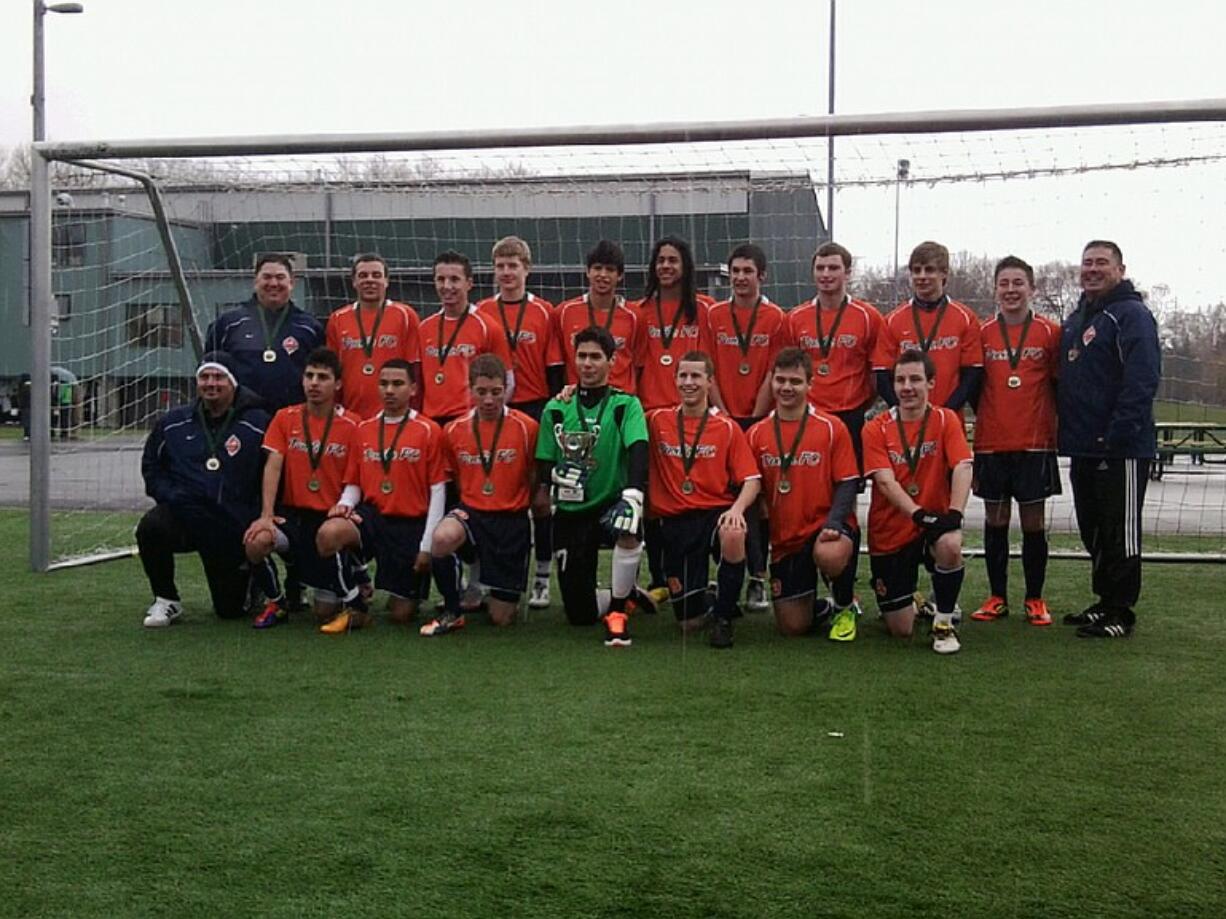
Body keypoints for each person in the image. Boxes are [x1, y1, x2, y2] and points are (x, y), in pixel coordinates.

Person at [1057, 240, 1160, 638]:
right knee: (1094, 528)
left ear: (1120, 269)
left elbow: (1142, 379)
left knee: (1121, 530)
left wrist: (1119, 432)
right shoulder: (1078, 318)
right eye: (1087, 263)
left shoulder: (1131, 315)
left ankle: (1122, 610)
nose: (1093, 269)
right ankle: (1104, 600)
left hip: (1121, 448)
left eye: (1102, 262)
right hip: (1083, 445)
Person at [137, 351, 270, 627]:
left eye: (219, 377)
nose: (211, 383)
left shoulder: (257, 423)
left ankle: (252, 580)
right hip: (186, 517)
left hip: (230, 525)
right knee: (151, 527)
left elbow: (272, 473)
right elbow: (152, 467)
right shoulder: (172, 423)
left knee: (230, 611)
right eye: (205, 377)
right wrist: (172, 496)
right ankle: (166, 599)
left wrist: (258, 513)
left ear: (233, 382)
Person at [534, 326, 649, 647]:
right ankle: (625, 592)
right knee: (579, 616)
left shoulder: (626, 405)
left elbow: (638, 449)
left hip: (610, 502)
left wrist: (634, 496)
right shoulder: (557, 408)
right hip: (571, 510)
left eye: (595, 357)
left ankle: (617, 611)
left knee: (628, 523)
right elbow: (545, 459)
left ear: (611, 361)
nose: (587, 363)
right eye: (582, 356)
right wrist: (551, 479)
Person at [314, 359, 447, 632]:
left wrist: (426, 546)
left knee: (401, 615)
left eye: (397, 384)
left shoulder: (429, 431)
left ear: (413, 389)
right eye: (384, 383)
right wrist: (343, 505)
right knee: (329, 534)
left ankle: (397, 588)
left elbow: (437, 490)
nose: (389, 390)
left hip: (410, 523)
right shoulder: (363, 429)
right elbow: (354, 482)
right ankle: (356, 606)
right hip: (373, 517)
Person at [969, 256, 1061, 628]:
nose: (1010, 290)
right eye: (1004, 283)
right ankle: (997, 596)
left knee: (1033, 521)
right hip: (991, 441)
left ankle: (1035, 598)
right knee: (996, 518)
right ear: (995, 290)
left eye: (1017, 283)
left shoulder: (1051, 333)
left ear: (1032, 289)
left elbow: (1057, 384)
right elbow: (976, 386)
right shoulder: (982, 333)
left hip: (1035, 443)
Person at [646, 351, 760, 648]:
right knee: (688, 623)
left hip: (713, 514)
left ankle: (723, 619)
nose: (689, 382)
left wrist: (736, 509)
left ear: (710, 382)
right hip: (674, 522)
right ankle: (718, 596)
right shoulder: (657, 420)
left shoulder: (726, 427)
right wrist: (570, 390)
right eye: (683, 376)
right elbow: (621, 414)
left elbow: (752, 479)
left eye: (696, 376)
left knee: (734, 532)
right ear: (675, 380)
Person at [862, 349, 973, 654]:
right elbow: (884, 480)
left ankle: (944, 622)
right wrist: (916, 513)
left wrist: (955, 513)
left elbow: (963, 465)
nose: (907, 387)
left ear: (931, 384)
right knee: (901, 629)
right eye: (900, 380)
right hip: (891, 529)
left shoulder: (946, 419)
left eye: (915, 379)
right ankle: (915, 600)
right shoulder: (875, 428)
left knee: (950, 544)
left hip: (933, 522)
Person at [746, 349, 862, 641]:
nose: (786, 388)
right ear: (771, 382)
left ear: (810, 385)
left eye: (795, 381)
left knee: (830, 554)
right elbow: (752, 492)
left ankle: (845, 605)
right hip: (786, 538)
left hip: (826, 528)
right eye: (780, 380)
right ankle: (818, 607)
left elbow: (848, 482)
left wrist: (835, 523)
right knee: (792, 628)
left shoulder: (831, 427)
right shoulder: (757, 434)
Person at [242, 348, 361, 628]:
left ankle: (355, 577)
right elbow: (273, 465)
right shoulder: (285, 418)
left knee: (323, 612)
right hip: (294, 516)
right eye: (309, 376)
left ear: (338, 384)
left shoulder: (354, 424)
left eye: (322, 377)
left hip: (330, 518)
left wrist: (347, 506)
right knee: (256, 541)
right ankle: (277, 601)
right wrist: (266, 514)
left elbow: (357, 477)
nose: (314, 383)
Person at [425, 354, 540, 635]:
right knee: (442, 539)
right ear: (470, 390)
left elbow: (535, 476)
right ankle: (454, 609)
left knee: (500, 618)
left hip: (510, 521)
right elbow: (452, 480)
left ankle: (491, 586)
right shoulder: (452, 430)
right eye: (481, 392)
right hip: (472, 514)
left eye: (496, 392)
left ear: (506, 390)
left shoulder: (527, 428)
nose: (489, 400)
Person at [474, 236, 560, 610]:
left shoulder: (545, 312)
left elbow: (554, 368)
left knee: (540, 500)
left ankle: (542, 575)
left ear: (527, 268)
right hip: (492, 413)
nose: (507, 273)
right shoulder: (480, 311)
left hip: (534, 409)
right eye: (500, 266)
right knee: (486, 493)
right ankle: (477, 576)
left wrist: (554, 416)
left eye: (513, 265)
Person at [633, 236, 718, 606]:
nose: (666, 266)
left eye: (673, 260)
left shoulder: (705, 310)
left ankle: (701, 577)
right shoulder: (639, 312)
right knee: (653, 501)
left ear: (686, 266)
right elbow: (633, 368)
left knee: (696, 497)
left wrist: (720, 412)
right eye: (660, 260)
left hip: (695, 420)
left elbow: (711, 365)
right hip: (653, 418)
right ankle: (659, 576)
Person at [706, 243, 788, 611]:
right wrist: (724, 415)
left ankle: (759, 577)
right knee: (726, 496)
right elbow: (708, 368)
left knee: (761, 502)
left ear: (761, 276)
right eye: (735, 271)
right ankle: (729, 570)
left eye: (747, 271)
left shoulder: (776, 318)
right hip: (722, 419)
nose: (740, 278)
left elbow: (774, 372)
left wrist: (753, 419)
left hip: (759, 420)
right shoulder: (713, 315)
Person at [785, 242, 884, 467]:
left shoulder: (869, 317)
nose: (825, 274)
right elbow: (787, 370)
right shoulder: (795, 318)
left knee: (847, 485)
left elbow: (876, 371)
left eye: (833, 268)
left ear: (847, 273)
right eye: (820, 268)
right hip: (807, 414)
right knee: (809, 481)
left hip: (850, 414)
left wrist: (861, 404)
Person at [872, 241, 982, 415]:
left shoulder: (966, 318)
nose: (922, 276)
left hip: (949, 418)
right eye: (916, 270)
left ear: (944, 273)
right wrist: (905, 410)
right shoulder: (893, 320)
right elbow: (882, 375)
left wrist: (945, 414)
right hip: (906, 420)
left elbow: (972, 375)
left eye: (929, 270)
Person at [204, 254, 325, 411]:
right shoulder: (228, 324)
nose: (273, 283)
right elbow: (209, 371)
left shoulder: (309, 327)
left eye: (280, 277)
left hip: (293, 419)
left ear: (292, 282)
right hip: (241, 418)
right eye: (267, 277)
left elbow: (321, 375)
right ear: (255, 281)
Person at [418, 251, 512, 428]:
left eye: (454, 279)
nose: (447, 286)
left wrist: (486, 417)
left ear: (469, 283)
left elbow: (507, 380)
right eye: (441, 279)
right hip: (432, 421)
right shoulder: (424, 328)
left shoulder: (488, 327)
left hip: (470, 421)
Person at [325, 252, 421, 420]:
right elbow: (332, 372)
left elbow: (414, 369)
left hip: (395, 416)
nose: (370, 280)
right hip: (351, 415)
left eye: (376, 275)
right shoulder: (338, 319)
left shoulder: (405, 316)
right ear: (354, 282)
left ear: (386, 281)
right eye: (363, 275)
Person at [555, 240, 639, 395]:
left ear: (620, 275)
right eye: (597, 268)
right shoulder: (564, 312)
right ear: (587, 271)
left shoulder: (634, 316)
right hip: (578, 400)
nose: (603, 275)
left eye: (610, 269)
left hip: (619, 400)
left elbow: (638, 364)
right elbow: (558, 365)